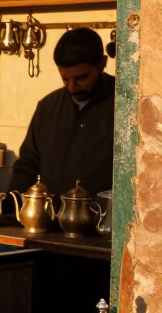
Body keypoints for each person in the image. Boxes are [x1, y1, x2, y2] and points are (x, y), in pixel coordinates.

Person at [9, 28, 114, 198]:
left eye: (81, 78)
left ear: (102, 64)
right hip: (48, 217)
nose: (72, 88)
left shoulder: (124, 106)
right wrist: (12, 200)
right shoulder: (48, 107)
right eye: (65, 79)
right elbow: (28, 163)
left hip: (103, 219)